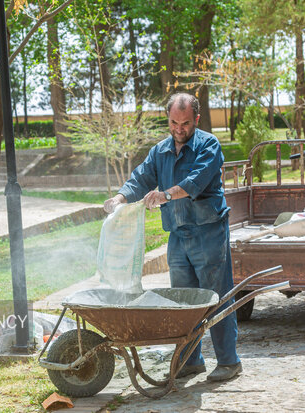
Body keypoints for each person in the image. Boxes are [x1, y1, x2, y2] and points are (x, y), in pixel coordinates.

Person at [103, 93, 241, 382]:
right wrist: (119, 198)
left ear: (197, 120)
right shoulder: (160, 151)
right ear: (168, 119)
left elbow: (196, 183)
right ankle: (191, 361)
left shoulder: (208, 146)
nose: (179, 129)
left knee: (216, 298)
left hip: (208, 234)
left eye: (186, 123)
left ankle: (229, 361)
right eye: (174, 122)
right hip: (178, 236)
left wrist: (165, 194)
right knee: (183, 302)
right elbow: (140, 178)